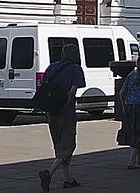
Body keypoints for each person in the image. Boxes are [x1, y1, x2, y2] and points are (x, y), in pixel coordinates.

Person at [39, 43, 86, 191]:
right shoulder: (75, 69)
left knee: (59, 144)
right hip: (66, 112)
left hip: (50, 111)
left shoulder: (51, 67)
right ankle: (49, 172)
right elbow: (71, 93)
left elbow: (43, 86)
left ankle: (68, 179)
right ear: (76, 55)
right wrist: (64, 108)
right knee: (68, 145)